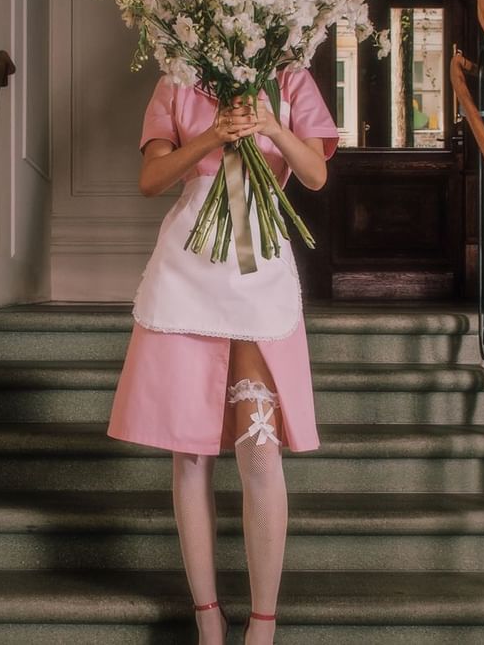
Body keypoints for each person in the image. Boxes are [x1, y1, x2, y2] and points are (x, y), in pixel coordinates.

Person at [108, 67, 338, 645]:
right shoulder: (176, 78)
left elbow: (314, 174)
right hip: (189, 269)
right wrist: (212, 135)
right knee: (189, 454)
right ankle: (207, 617)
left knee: (259, 451)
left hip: (258, 268)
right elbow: (150, 180)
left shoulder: (289, 78)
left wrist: (269, 126)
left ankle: (263, 623)